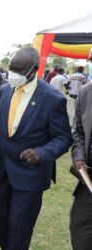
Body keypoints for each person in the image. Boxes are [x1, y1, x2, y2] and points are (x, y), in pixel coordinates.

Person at [0, 47, 72, 250]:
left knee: (19, 228)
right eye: (11, 69)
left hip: (30, 175)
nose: (14, 74)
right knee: (0, 220)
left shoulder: (51, 98)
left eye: (19, 70)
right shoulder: (5, 91)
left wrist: (41, 153)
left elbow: (63, 137)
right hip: (4, 171)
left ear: (34, 69)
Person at [70, 81, 92, 249]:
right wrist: (79, 157)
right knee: (81, 237)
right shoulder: (85, 92)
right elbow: (79, 132)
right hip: (88, 183)